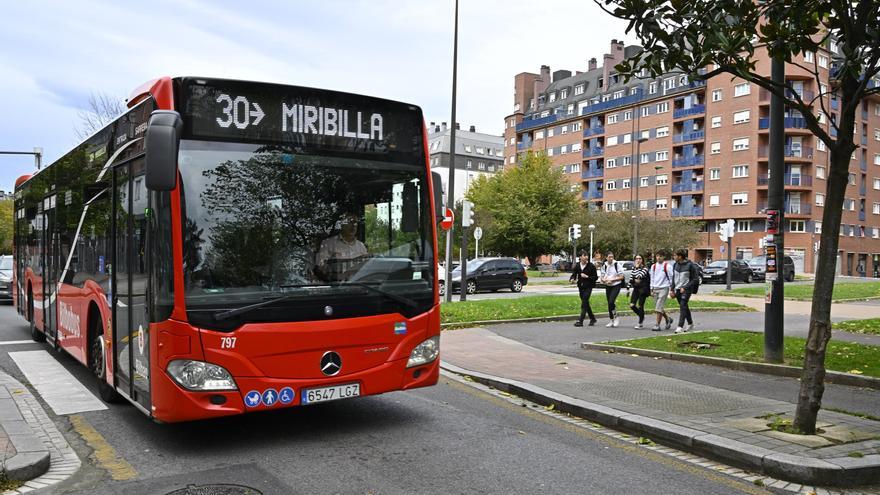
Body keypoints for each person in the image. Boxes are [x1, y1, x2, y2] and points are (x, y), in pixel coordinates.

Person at [316, 214, 368, 281]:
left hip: (359, 287)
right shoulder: (328, 243)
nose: (353, 225)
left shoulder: (361, 246)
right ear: (342, 225)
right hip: (337, 288)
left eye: (355, 223)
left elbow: (366, 268)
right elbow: (321, 268)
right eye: (350, 222)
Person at [671, 248, 700, 333]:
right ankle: (690, 323)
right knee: (684, 307)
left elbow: (695, 279)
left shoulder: (690, 265)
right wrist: (672, 289)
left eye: (675, 255)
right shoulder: (675, 265)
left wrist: (685, 287)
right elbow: (674, 277)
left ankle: (680, 326)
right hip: (677, 289)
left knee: (683, 305)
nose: (674, 257)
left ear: (680, 256)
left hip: (686, 289)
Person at [570, 250, 598, 327]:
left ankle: (580, 321)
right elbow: (574, 274)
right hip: (581, 287)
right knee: (586, 303)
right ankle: (592, 318)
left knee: (584, 303)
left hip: (589, 287)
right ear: (580, 257)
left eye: (587, 255)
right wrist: (572, 279)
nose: (586, 257)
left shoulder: (591, 266)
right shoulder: (578, 266)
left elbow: (595, 277)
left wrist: (587, 276)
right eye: (584, 255)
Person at [649, 252, 674, 331]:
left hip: (664, 288)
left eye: (660, 256)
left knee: (658, 307)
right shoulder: (653, 266)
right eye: (657, 256)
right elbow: (652, 278)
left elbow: (671, 278)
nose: (659, 258)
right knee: (658, 307)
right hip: (655, 288)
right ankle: (668, 319)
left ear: (663, 257)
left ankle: (657, 325)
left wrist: (671, 289)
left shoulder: (667, 266)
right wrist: (651, 288)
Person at [600, 251, 625, 327]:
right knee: (609, 304)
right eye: (609, 257)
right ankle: (611, 320)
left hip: (616, 285)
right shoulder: (604, 265)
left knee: (611, 302)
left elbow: (622, 276)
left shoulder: (617, 264)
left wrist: (612, 280)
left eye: (612, 257)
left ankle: (616, 317)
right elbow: (602, 276)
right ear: (606, 258)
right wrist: (603, 280)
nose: (611, 258)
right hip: (608, 285)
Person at [628, 255, 650, 329]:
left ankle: (640, 323)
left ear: (642, 260)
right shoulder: (634, 268)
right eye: (636, 259)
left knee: (641, 306)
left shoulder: (645, 268)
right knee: (632, 305)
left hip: (643, 289)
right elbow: (631, 278)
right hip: (636, 289)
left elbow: (639, 276)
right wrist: (628, 288)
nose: (638, 260)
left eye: (640, 258)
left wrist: (636, 269)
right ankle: (642, 316)